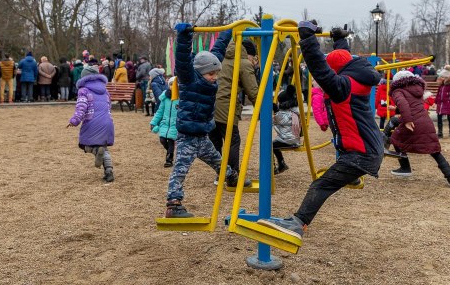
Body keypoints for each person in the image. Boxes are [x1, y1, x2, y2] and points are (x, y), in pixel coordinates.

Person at [258, 22, 383, 241]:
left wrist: (307, 38)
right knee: (328, 181)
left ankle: (298, 223)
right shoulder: (354, 78)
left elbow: (320, 68)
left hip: (361, 154)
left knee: (322, 184)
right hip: (365, 151)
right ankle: (344, 182)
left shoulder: (342, 87)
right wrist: (339, 40)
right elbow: (341, 60)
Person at [164, 23, 239, 219]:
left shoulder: (208, 73)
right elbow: (181, 58)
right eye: (211, 74)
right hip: (187, 137)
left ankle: (231, 177)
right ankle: (173, 205)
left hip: (203, 136)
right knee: (180, 170)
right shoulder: (189, 79)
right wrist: (185, 36)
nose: (215, 78)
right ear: (200, 71)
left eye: (216, 73)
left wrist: (229, 31)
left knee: (219, 162)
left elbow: (218, 50)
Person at [387, 70, 450, 189]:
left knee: (395, 140)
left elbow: (403, 103)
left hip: (412, 122)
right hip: (425, 121)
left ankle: (405, 168)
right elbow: (411, 105)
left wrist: (408, 120)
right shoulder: (417, 89)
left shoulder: (398, 90)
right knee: (435, 150)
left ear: (397, 82)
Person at [209, 39, 259, 183]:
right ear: (248, 54)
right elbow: (253, 91)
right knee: (233, 140)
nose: (253, 60)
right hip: (226, 106)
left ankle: (221, 174)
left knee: (216, 140)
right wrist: (266, 108)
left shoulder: (223, 59)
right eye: (253, 57)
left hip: (211, 105)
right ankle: (232, 176)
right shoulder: (243, 63)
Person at [67, 64, 115, 182]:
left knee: (83, 145)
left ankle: (94, 150)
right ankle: (109, 172)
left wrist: (74, 120)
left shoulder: (84, 90)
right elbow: (109, 106)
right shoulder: (105, 90)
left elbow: (81, 108)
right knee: (103, 148)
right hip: (107, 122)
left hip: (92, 121)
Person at [272, 85, 301, 174]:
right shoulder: (293, 109)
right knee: (273, 144)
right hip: (291, 137)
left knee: (269, 146)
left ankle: (277, 165)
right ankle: (281, 163)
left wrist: (276, 111)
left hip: (289, 139)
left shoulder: (290, 112)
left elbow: (281, 120)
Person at [151, 76, 179, 167]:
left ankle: (169, 159)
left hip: (175, 125)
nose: (172, 86)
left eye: (174, 84)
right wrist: (153, 122)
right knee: (162, 140)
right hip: (165, 123)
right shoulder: (165, 97)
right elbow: (160, 111)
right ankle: (169, 152)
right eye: (170, 84)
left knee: (171, 140)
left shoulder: (181, 98)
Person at [435, 66, 450, 138]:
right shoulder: (441, 85)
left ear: (447, 77)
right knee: (439, 117)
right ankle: (440, 132)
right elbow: (438, 93)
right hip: (441, 104)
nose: (441, 78)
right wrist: (436, 101)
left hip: (449, 104)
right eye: (441, 77)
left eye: (443, 77)